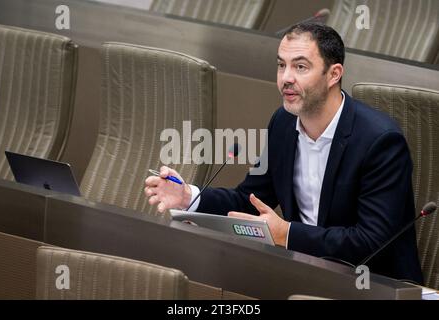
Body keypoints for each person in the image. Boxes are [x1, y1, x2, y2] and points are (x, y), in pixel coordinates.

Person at [144, 21, 423, 284]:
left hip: (372, 285)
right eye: (281, 65)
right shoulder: (284, 123)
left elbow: (372, 242)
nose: (286, 78)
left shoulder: (380, 141)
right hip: (304, 275)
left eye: (300, 67)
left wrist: (286, 234)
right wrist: (189, 196)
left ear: (334, 74)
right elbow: (249, 200)